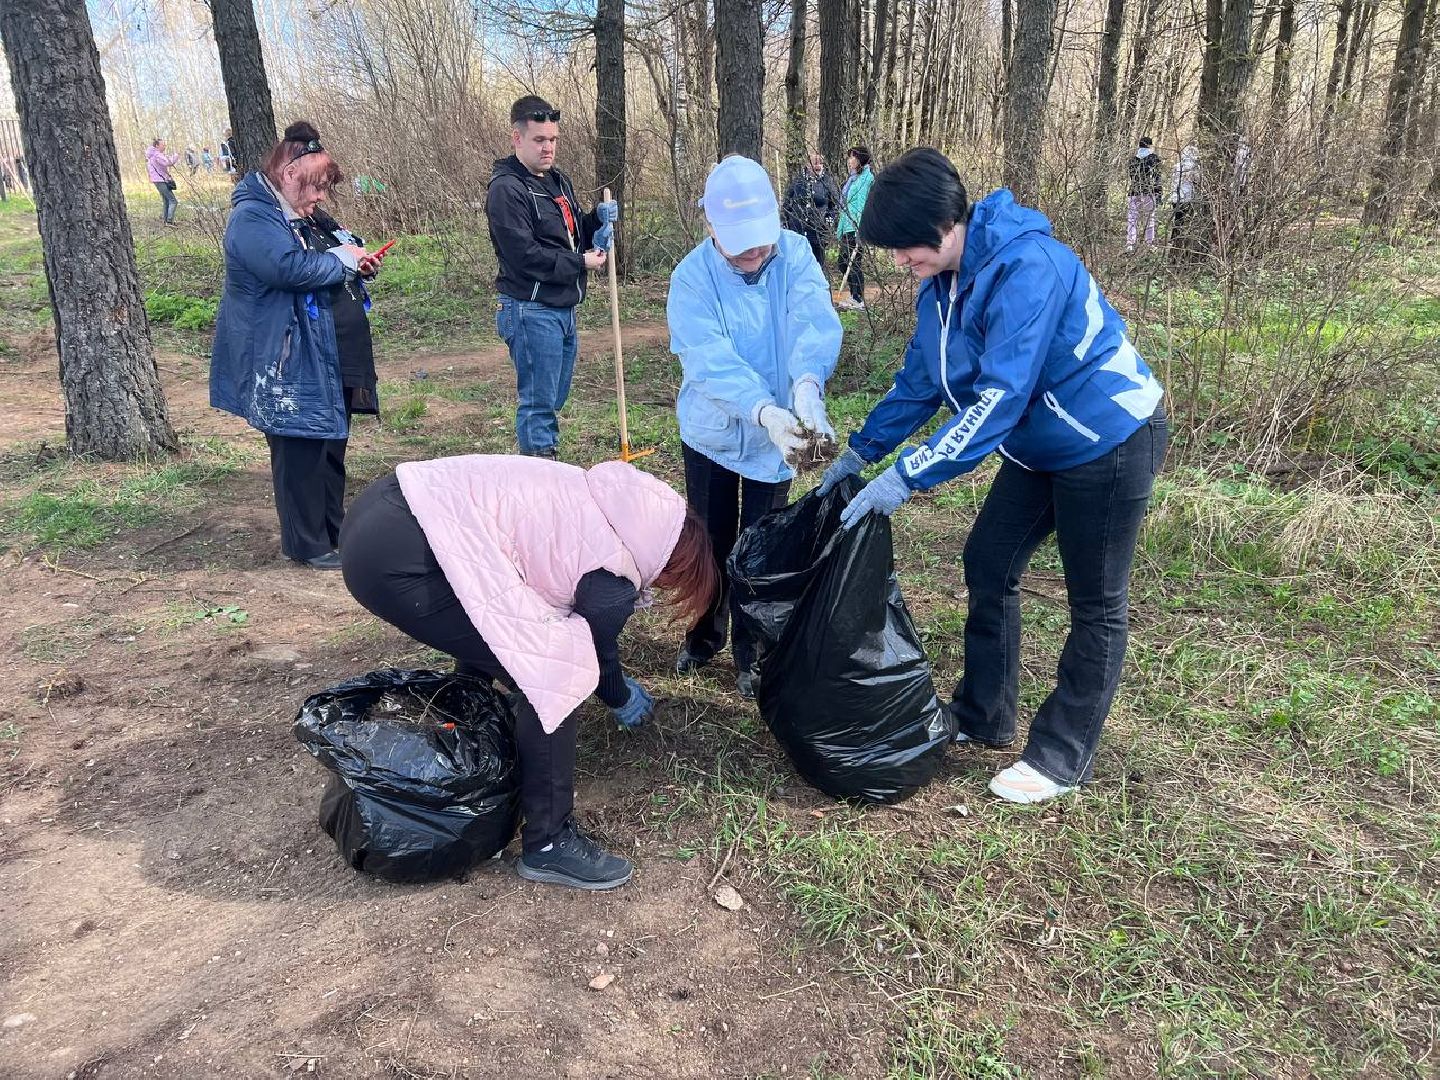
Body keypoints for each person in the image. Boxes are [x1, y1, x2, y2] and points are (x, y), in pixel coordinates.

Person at [818, 148, 1168, 805]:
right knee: (988, 560)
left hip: (1108, 439)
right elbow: (922, 382)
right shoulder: (943, 285)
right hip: (1041, 448)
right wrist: (859, 453)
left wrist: (907, 476)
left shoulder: (1026, 269)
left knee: (1095, 603)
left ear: (941, 226)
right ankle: (984, 715)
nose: (900, 263)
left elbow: (996, 401)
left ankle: (1061, 758)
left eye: (903, 249)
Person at [339, 456, 719, 890]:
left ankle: (471, 740)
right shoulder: (613, 578)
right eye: (675, 583)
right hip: (399, 556)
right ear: (671, 563)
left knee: (500, 633)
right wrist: (618, 695)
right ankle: (549, 844)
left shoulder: (611, 503)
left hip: (385, 505)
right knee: (557, 675)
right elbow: (594, 652)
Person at [667, 155, 843, 698]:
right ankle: (704, 634)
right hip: (715, 434)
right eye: (742, 242)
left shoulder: (795, 257)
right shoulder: (692, 278)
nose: (755, 252)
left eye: (761, 239)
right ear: (711, 227)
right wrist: (760, 410)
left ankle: (753, 647)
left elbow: (811, 324)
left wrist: (807, 389)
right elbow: (710, 359)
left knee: (762, 543)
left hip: (782, 436)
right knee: (710, 538)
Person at [209, 121, 386, 570]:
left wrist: (355, 260)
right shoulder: (252, 216)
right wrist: (339, 261)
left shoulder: (305, 215)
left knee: (330, 445)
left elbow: (335, 252)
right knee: (299, 452)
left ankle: (333, 533)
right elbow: (287, 269)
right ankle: (306, 544)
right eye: (316, 186)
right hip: (285, 358)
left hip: (327, 353)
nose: (321, 197)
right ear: (289, 173)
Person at [486, 95, 618, 459]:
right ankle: (540, 476)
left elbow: (572, 234)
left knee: (554, 395)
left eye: (553, 140)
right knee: (539, 404)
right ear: (517, 138)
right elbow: (524, 256)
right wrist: (580, 262)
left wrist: (597, 221)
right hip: (530, 309)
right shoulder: (506, 190)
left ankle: (542, 468)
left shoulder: (557, 180)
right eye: (539, 140)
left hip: (563, 308)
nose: (548, 148)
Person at [781, 150, 841, 276]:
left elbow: (835, 206)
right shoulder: (798, 181)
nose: (818, 165)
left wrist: (827, 222)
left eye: (820, 163)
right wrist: (785, 223)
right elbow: (787, 204)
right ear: (808, 164)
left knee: (818, 267)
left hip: (817, 233)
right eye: (815, 162)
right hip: (797, 231)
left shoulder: (828, 182)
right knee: (797, 267)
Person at [835, 146, 875, 311]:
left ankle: (858, 299)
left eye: (853, 157)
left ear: (861, 160)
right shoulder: (852, 179)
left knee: (853, 262)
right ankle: (854, 295)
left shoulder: (868, 179)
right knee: (843, 262)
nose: (849, 161)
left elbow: (867, 203)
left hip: (857, 226)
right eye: (849, 157)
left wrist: (863, 227)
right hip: (846, 225)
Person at [1125, 137, 1162, 252]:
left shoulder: (1132, 160)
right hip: (1148, 192)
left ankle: (1130, 244)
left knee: (1132, 218)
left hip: (1134, 191)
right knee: (1149, 218)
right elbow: (1157, 177)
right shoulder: (1154, 158)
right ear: (1150, 145)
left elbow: (1132, 177)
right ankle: (1149, 243)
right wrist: (1159, 193)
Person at [1169, 144, 1202, 263]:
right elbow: (1197, 181)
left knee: (1178, 219)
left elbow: (1173, 181)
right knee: (1184, 220)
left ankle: (1175, 238)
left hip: (1176, 197)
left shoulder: (1177, 166)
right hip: (1187, 198)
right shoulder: (1194, 168)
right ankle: (1178, 239)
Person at [146, 138, 180, 227]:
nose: (164, 146)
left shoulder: (153, 155)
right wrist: (176, 155)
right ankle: (169, 221)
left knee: (166, 200)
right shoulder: (157, 155)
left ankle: (166, 221)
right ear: (157, 145)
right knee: (173, 201)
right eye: (163, 144)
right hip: (160, 181)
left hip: (158, 180)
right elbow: (168, 162)